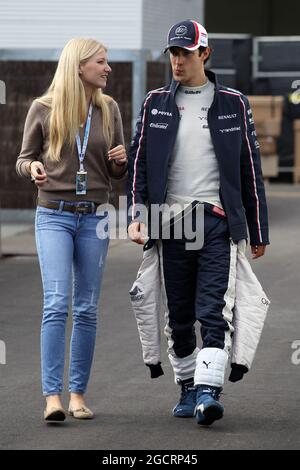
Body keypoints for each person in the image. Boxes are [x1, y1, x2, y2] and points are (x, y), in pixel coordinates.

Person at [127, 20, 269, 426]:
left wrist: (257, 230)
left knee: (213, 309)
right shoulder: (154, 102)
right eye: (173, 53)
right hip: (168, 221)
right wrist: (138, 216)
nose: (177, 60)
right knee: (179, 314)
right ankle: (187, 388)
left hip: (216, 222)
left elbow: (250, 170)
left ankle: (209, 392)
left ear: (205, 54)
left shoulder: (233, 103)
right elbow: (140, 164)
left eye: (185, 53)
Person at [16, 38, 127, 422]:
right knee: (57, 302)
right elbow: (23, 158)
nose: (108, 68)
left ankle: (78, 394)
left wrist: (120, 161)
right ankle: (52, 398)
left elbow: (117, 171)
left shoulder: (108, 108)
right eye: (101, 62)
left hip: (95, 216)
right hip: (54, 215)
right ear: (79, 66)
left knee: (86, 308)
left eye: (107, 62)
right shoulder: (43, 109)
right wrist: (31, 169)